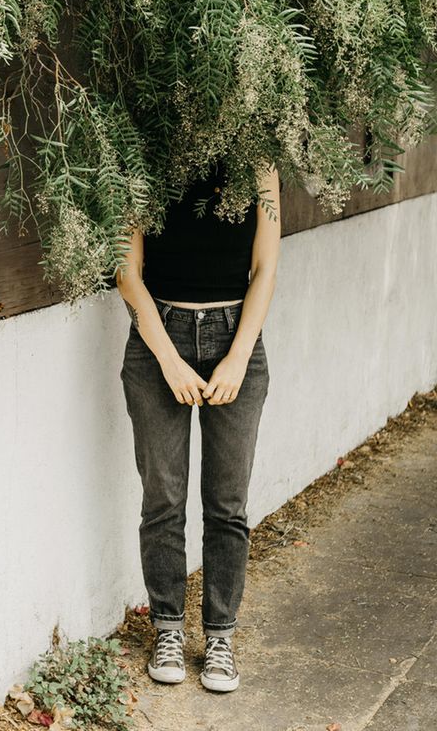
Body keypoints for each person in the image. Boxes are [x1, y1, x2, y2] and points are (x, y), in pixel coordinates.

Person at [113, 159, 281, 693]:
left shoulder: (258, 157)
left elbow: (265, 270)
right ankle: (167, 628)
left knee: (227, 505)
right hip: (158, 338)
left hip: (237, 338)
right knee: (162, 497)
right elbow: (127, 272)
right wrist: (167, 358)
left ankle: (220, 639)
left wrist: (237, 357)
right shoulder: (143, 146)